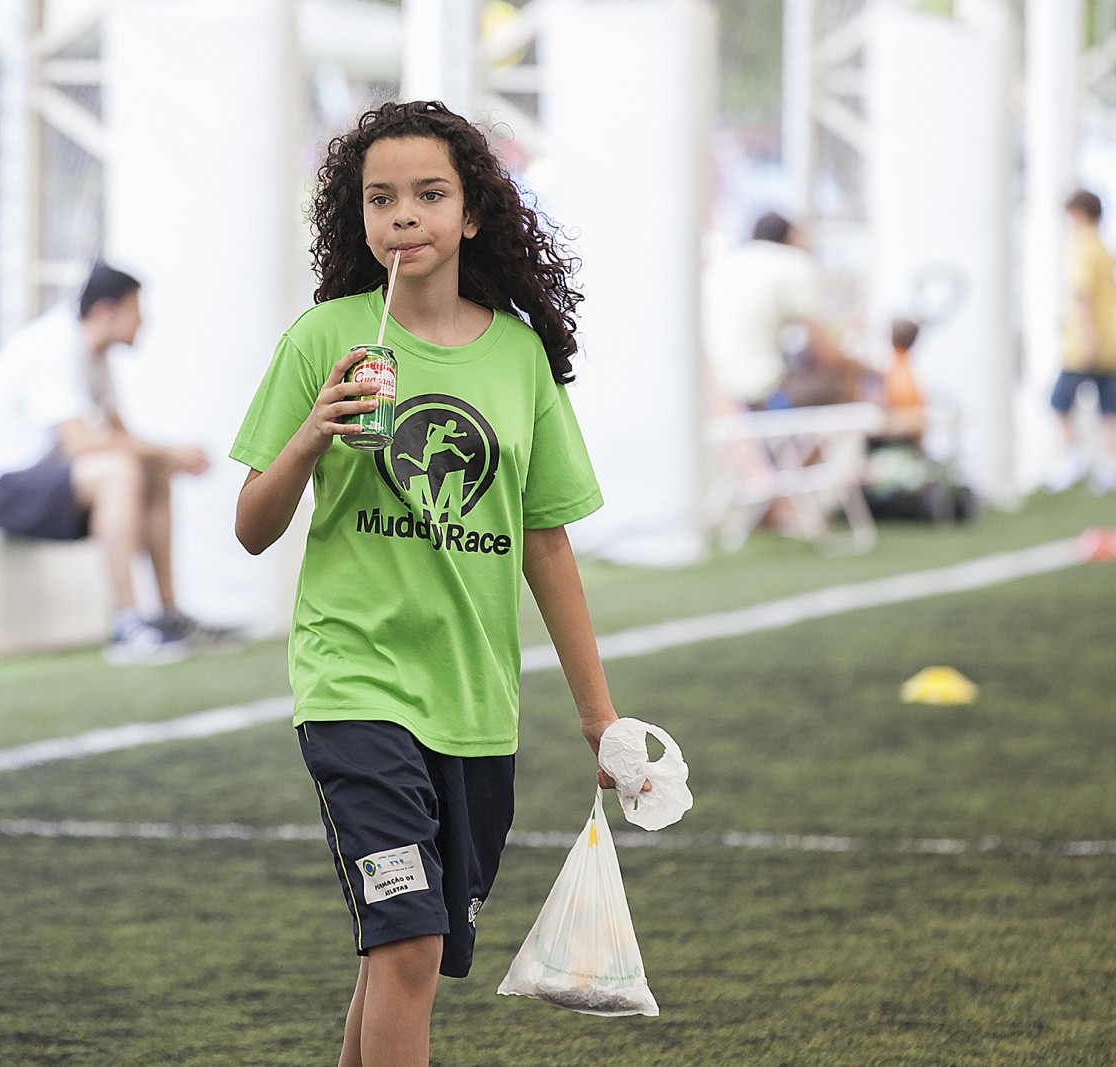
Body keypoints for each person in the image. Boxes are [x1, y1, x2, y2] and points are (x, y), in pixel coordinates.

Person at [231, 100, 643, 1067]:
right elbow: (252, 528)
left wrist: (599, 717)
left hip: (473, 705)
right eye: (381, 199)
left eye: (428, 195)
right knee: (409, 938)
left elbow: (547, 546)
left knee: (401, 953)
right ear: (359, 218)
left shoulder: (518, 356)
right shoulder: (324, 339)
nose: (403, 215)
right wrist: (313, 433)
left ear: (472, 214)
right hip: (355, 685)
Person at [0, 264, 213, 664]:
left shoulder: (96, 357)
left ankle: (170, 617)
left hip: (35, 484)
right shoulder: (56, 343)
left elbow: (122, 436)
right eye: (136, 309)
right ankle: (127, 624)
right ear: (106, 311)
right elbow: (82, 443)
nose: (144, 321)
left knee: (150, 470)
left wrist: (167, 459)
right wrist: (173, 453)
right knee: (119, 471)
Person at [702, 210, 869, 409]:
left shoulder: (725, 264)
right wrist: (863, 366)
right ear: (792, 236)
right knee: (847, 380)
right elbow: (824, 352)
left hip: (718, 395)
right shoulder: (794, 263)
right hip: (762, 394)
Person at [1045, 190, 1116, 495]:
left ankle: (1072, 457)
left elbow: (1083, 295)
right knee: (1109, 407)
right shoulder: (1104, 250)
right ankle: (1113, 464)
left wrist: (1086, 336)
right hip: (1111, 340)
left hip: (1085, 344)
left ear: (1080, 214)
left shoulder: (1082, 247)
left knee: (1058, 401)